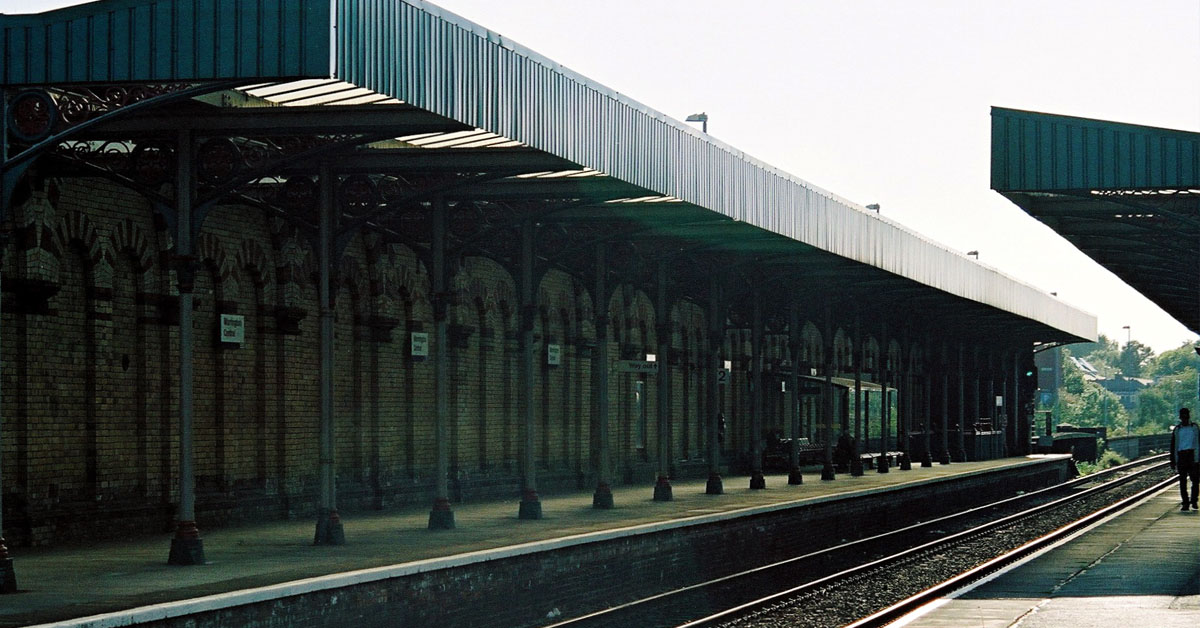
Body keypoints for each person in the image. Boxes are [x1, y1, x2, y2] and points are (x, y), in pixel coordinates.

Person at [1170, 407, 1200, 511]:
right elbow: (1173, 445)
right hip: (1182, 455)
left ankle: (1193, 501)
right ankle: (1186, 503)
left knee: (1195, 480)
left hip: (1192, 455)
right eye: (1183, 417)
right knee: (1183, 481)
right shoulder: (1177, 429)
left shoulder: (1194, 428)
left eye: (1185, 417)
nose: (1184, 419)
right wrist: (1173, 460)